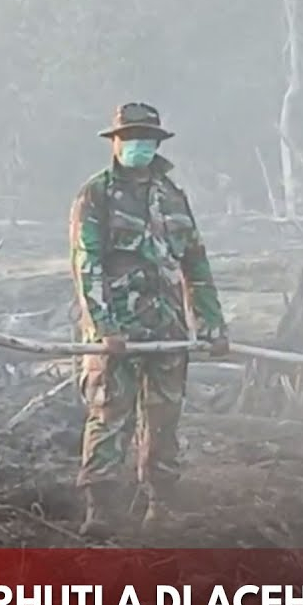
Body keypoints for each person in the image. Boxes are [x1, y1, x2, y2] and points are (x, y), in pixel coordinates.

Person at [69, 102, 229, 538]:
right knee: (109, 414)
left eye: (146, 138)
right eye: (129, 138)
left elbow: (196, 263)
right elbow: (87, 266)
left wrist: (211, 322)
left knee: (164, 418)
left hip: (168, 329)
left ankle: (162, 503)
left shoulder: (172, 195)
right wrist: (105, 327)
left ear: (157, 143)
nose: (138, 145)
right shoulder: (96, 195)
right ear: (115, 142)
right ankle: (100, 508)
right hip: (117, 332)